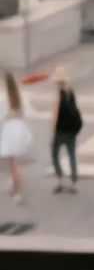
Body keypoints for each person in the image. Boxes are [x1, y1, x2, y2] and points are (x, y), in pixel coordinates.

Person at [0, 72, 32, 205]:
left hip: (9, 131)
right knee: (14, 163)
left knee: (13, 164)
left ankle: (17, 191)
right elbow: (27, 113)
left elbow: (1, 116)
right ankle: (13, 184)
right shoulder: (19, 96)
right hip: (20, 130)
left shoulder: (3, 98)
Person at [51, 69, 82, 194]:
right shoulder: (71, 92)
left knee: (54, 154)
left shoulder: (58, 94)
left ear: (58, 82)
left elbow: (55, 114)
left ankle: (60, 181)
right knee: (71, 155)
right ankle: (73, 183)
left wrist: (53, 129)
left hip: (60, 131)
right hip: (72, 131)